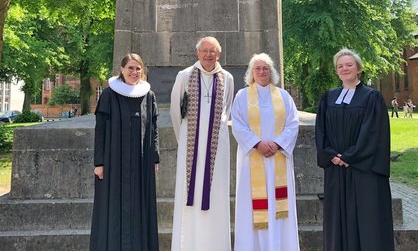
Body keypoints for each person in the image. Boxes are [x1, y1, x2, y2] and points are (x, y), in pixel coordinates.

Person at [315, 48, 395, 251]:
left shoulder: (372, 97)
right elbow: (320, 130)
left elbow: (373, 133)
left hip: (363, 170)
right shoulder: (329, 97)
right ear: (336, 71)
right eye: (340, 66)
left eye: (349, 65)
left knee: (368, 219)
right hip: (336, 169)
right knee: (338, 220)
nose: (345, 69)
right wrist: (331, 155)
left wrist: (350, 156)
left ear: (358, 68)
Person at [170, 36, 234, 251]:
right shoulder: (184, 76)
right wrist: (185, 141)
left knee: (216, 193)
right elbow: (175, 111)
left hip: (218, 147)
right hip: (190, 147)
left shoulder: (227, 77)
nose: (209, 55)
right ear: (197, 53)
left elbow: (227, 108)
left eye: (213, 51)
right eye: (205, 51)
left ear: (219, 54)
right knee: (190, 195)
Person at [90, 53, 160, 251]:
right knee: (112, 208)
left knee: (140, 206)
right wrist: (99, 163)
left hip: (141, 162)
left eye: (138, 68)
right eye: (130, 68)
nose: (134, 72)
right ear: (121, 69)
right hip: (114, 162)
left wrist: (154, 159)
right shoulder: (109, 95)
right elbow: (101, 130)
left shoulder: (148, 95)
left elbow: (153, 130)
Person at [231, 53, 300, 251]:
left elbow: (293, 123)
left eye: (265, 68)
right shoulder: (242, 96)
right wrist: (257, 144)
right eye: (258, 69)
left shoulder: (283, 96)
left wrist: (278, 144)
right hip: (253, 159)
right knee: (252, 207)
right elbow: (238, 125)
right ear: (251, 73)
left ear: (272, 72)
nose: (262, 72)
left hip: (278, 158)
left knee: (280, 208)